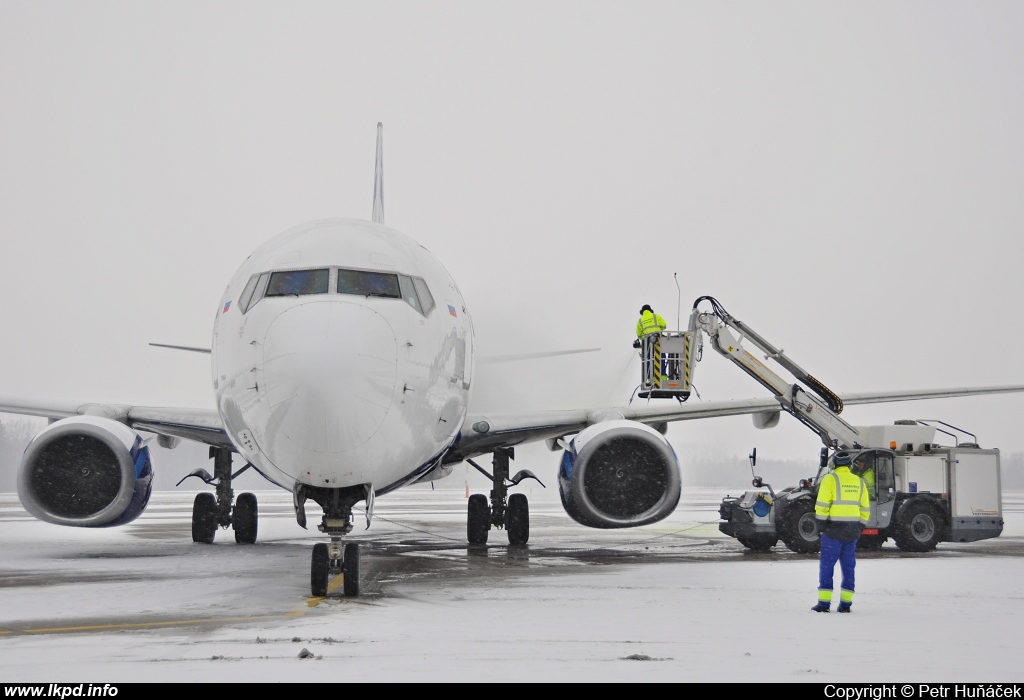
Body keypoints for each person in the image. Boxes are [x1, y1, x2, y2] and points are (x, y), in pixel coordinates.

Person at [812, 453, 870, 613]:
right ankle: (845, 604)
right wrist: (860, 527)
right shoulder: (859, 481)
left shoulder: (830, 479)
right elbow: (865, 508)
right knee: (849, 568)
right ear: (850, 465)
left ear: (835, 465)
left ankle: (824, 604)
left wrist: (821, 526)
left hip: (833, 531)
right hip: (852, 532)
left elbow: (822, 505)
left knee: (827, 566)